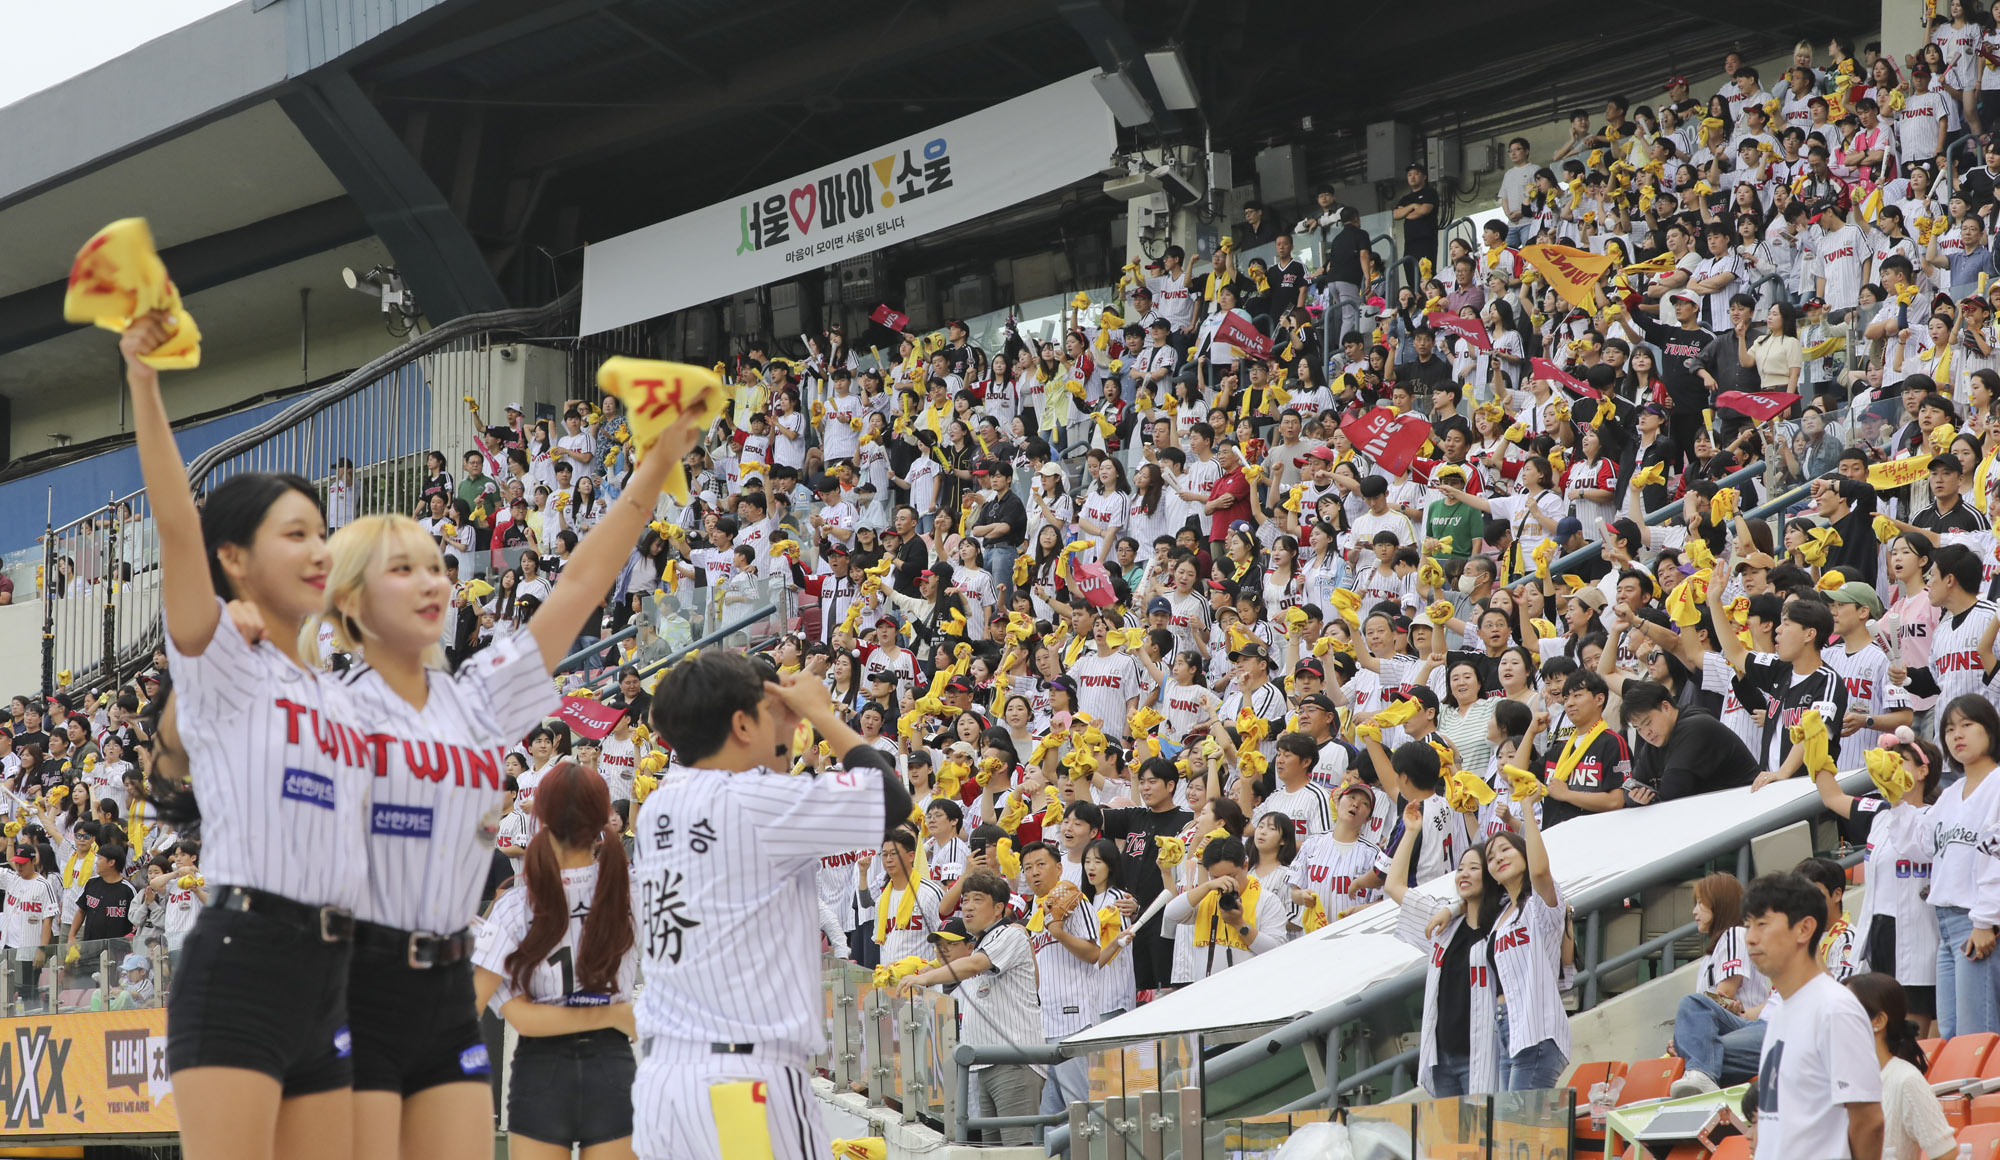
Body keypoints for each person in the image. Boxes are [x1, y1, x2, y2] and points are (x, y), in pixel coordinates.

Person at [122, 310, 364, 1160]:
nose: (318, 551)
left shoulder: (332, 687)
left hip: (332, 974)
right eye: (294, 534)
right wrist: (145, 385)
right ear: (235, 559)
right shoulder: (220, 653)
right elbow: (176, 522)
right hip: (243, 958)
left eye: (322, 534)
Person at [632, 653, 911, 1160]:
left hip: (663, 1083)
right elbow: (892, 799)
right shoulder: (758, 801)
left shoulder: (658, 805)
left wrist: (779, 723)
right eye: (765, 710)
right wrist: (823, 715)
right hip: (745, 1082)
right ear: (741, 724)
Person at [471, 763, 636, 1160]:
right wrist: (612, 1014)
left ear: (539, 817)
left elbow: (475, 1008)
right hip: (612, 1064)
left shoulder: (515, 903)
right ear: (604, 817)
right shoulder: (631, 891)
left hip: (540, 1067)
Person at [1746, 871, 1884, 1160]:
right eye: (1748, 925)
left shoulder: (1835, 1009)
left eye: (1762, 924)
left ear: (1804, 929)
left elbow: (1869, 1121)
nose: (1750, 938)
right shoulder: (1782, 1010)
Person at [1385, 797, 1496, 1097]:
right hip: (1441, 1059)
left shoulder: (1504, 924)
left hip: (1483, 1057)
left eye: (1475, 868)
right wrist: (1411, 832)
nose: (1464, 874)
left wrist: (1457, 907)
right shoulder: (1444, 922)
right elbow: (1394, 887)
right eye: (1461, 868)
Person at [1848, 972, 1957, 1160]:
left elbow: (1946, 1154)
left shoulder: (1905, 1080)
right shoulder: (1838, 1078)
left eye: (1847, 1010)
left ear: (1878, 1021)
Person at [1162, 836, 1287, 981]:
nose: (1224, 883)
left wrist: (1239, 924)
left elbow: (1276, 950)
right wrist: (1207, 886)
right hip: (1206, 989)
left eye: (1230, 876)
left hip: (1250, 989)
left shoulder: (1266, 900)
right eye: (1216, 877)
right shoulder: (1208, 897)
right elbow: (1171, 914)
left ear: (1245, 866)